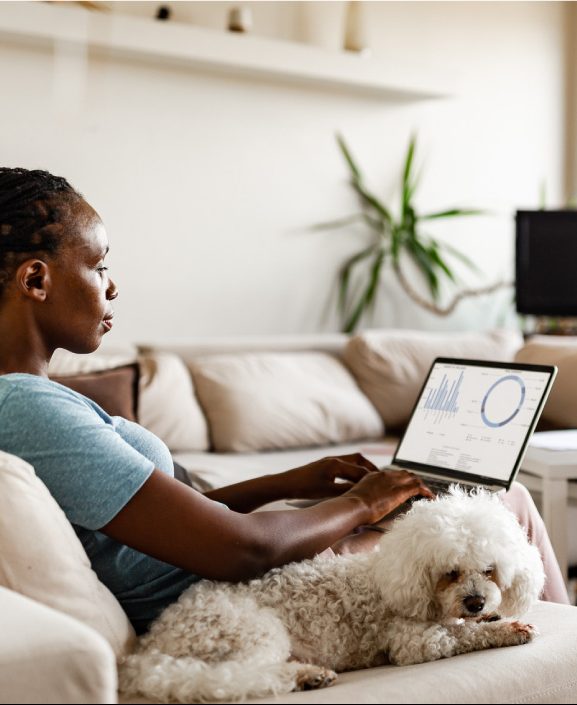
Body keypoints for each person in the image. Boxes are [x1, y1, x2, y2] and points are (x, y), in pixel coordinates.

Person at [0, 169, 568, 637]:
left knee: (443, 500)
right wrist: (363, 505)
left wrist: (292, 482)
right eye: (99, 266)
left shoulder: (32, 403)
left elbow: (159, 518)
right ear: (35, 279)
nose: (112, 286)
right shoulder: (29, 409)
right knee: (506, 498)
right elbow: (237, 551)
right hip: (242, 595)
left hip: (231, 570)